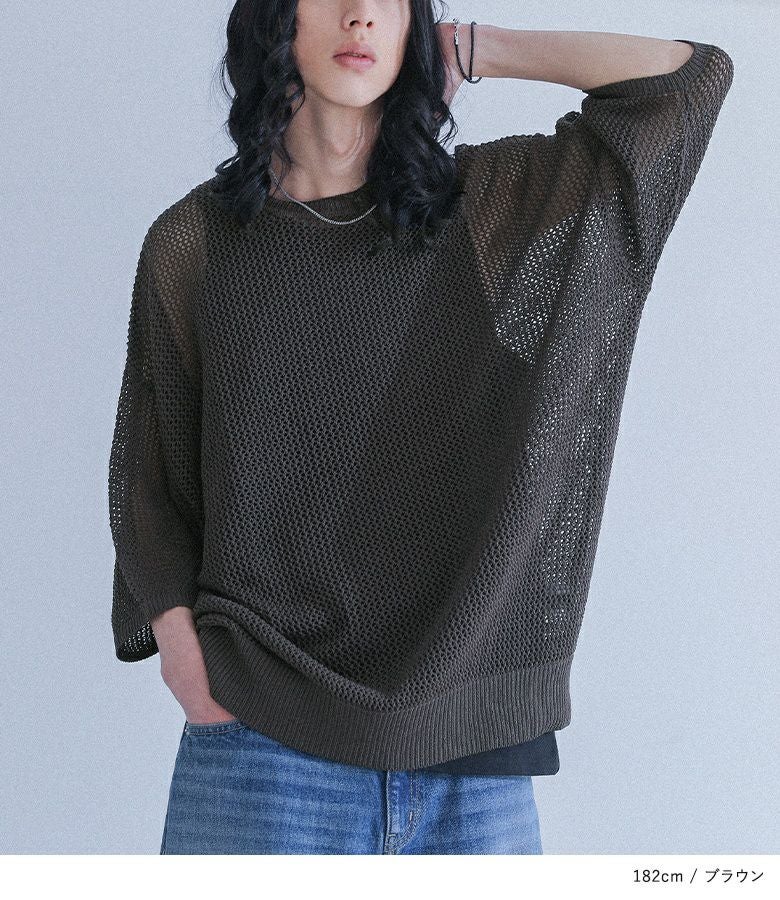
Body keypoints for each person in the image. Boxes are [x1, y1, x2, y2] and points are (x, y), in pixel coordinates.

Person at [108, 0, 733, 855]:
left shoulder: (485, 212)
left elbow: (685, 85)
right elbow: (151, 480)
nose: (360, 17)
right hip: (263, 739)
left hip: (472, 762)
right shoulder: (196, 244)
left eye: (389, 1)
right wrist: (184, 656)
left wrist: (475, 49)